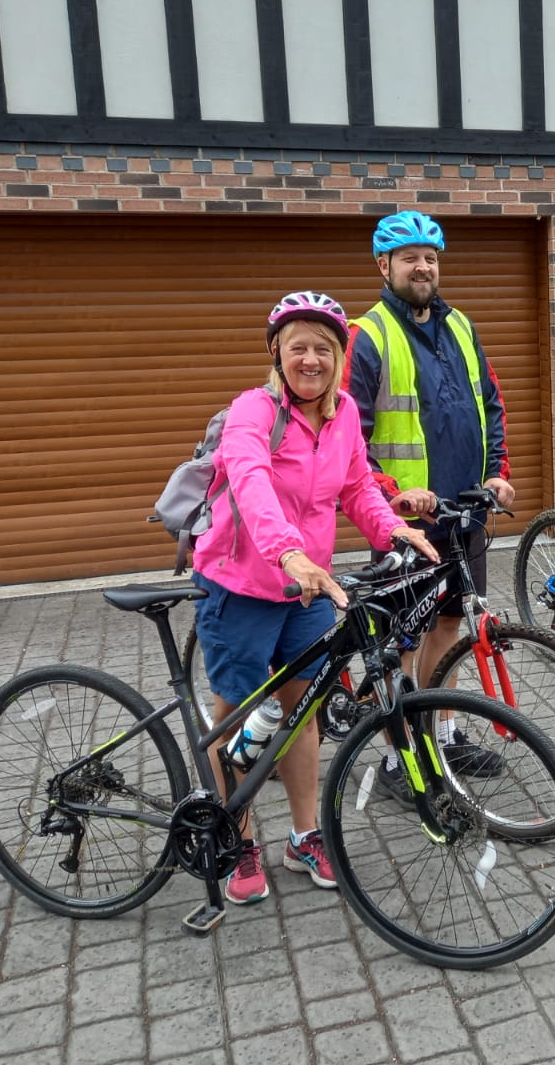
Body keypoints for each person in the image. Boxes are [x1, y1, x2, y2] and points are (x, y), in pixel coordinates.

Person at [192, 290, 436, 906]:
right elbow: (249, 482)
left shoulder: (345, 411)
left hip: (308, 590)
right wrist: (287, 552)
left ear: (338, 355)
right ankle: (236, 835)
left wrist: (391, 529)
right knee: (237, 717)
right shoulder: (253, 410)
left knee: (304, 715)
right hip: (243, 586)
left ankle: (303, 836)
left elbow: (355, 485)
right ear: (277, 353)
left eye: (323, 349)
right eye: (297, 347)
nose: (310, 359)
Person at [346, 210, 514, 794]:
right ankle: (398, 756)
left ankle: (439, 735)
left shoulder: (462, 325)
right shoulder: (366, 337)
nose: (423, 266)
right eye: (410, 257)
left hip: (465, 511)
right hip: (405, 524)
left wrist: (497, 473)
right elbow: (348, 436)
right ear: (383, 266)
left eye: (431, 257)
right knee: (399, 643)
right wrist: (392, 496)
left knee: (449, 624)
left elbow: (489, 402)